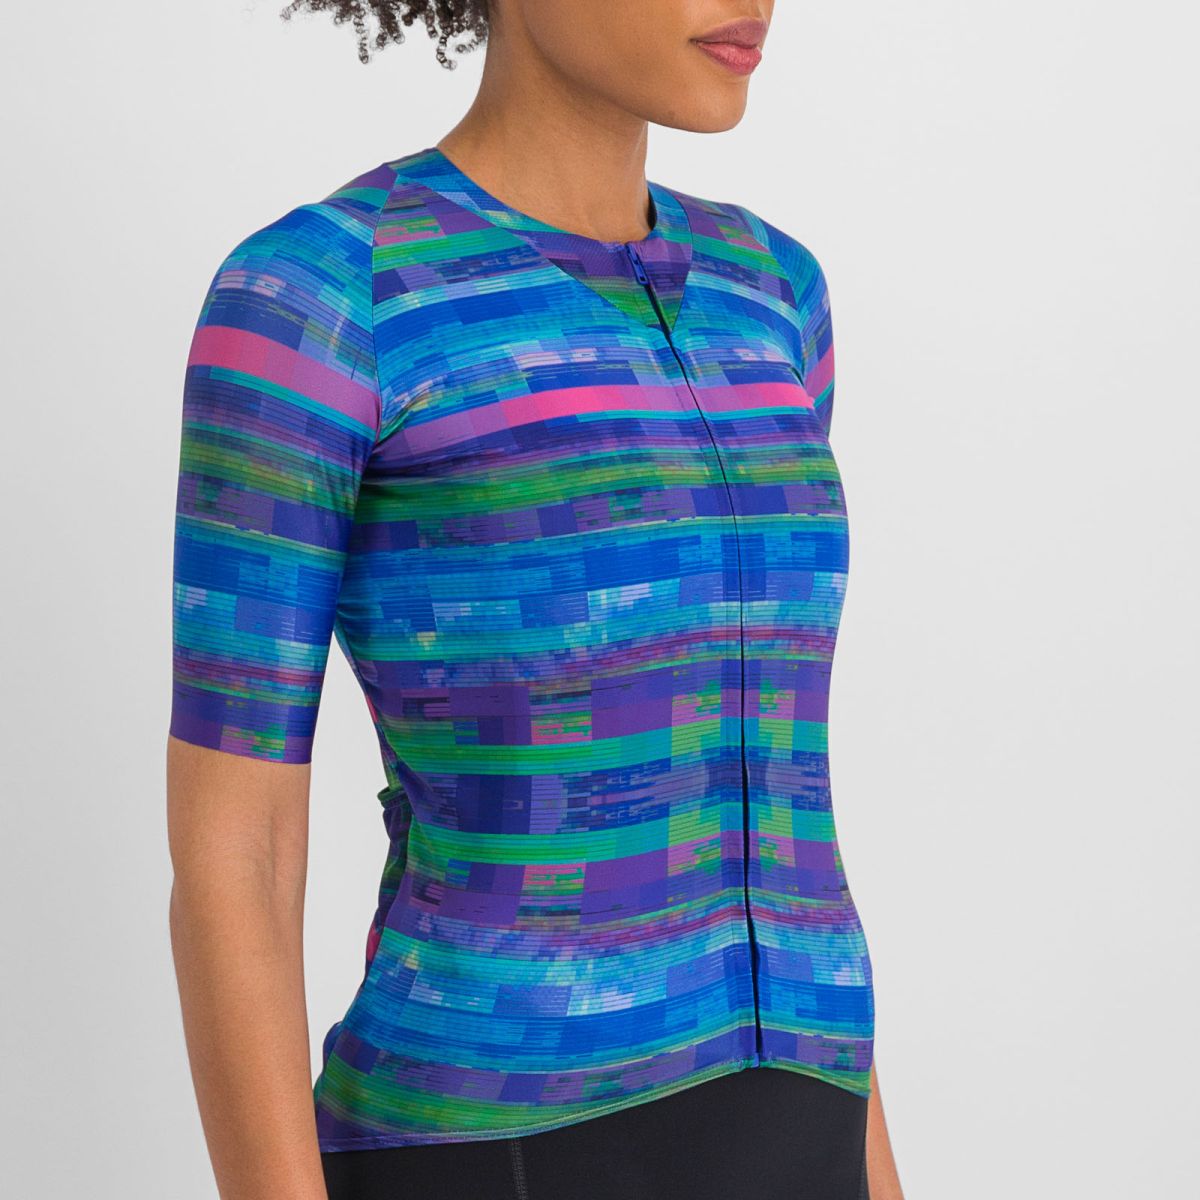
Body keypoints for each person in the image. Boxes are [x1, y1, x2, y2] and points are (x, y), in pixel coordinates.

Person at [165, 2, 906, 1198]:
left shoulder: (772, 294)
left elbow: (776, 799)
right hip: (495, 1148)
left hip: (803, 1123)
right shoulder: (326, 297)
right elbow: (234, 855)